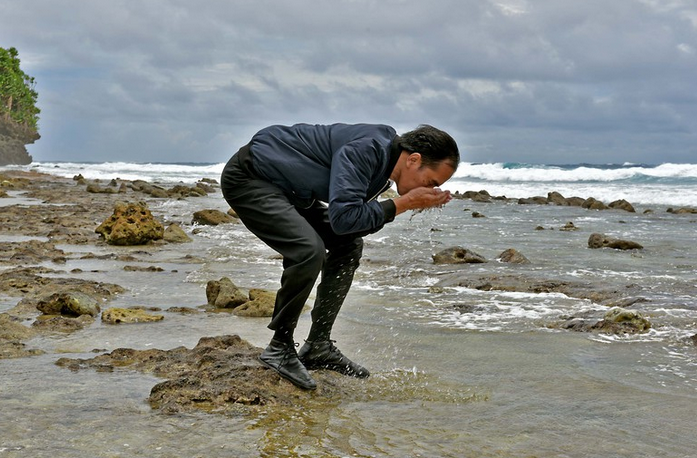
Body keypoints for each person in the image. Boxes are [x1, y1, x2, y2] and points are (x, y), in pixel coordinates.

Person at [221, 123, 459, 390]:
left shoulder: (383, 166)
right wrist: (404, 204)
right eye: (432, 181)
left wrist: (399, 206)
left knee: (348, 247)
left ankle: (318, 346)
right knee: (308, 251)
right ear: (414, 159)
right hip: (251, 178)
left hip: (292, 192)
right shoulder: (367, 150)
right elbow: (345, 219)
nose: (432, 189)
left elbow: (347, 226)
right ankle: (280, 347)